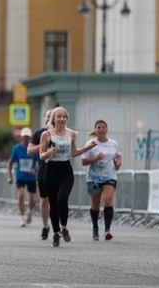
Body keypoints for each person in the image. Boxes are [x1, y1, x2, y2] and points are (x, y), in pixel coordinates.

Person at [39, 106, 96, 247]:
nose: (62, 119)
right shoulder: (47, 134)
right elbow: (41, 155)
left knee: (62, 199)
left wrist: (87, 148)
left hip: (65, 169)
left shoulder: (71, 134)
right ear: (53, 119)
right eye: (59, 116)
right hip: (51, 169)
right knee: (53, 203)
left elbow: (74, 152)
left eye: (64, 116)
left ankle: (64, 227)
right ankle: (55, 233)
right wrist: (49, 152)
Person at [81, 120, 122, 241]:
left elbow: (118, 155)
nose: (101, 129)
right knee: (95, 205)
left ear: (107, 129)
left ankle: (107, 230)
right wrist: (95, 158)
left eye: (103, 127)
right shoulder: (91, 143)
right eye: (99, 127)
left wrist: (118, 162)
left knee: (108, 200)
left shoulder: (113, 143)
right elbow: (84, 161)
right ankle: (95, 228)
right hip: (94, 177)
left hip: (109, 176)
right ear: (95, 130)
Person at [27, 109, 52, 239]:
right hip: (43, 169)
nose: (50, 118)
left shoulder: (63, 133)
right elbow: (29, 150)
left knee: (58, 199)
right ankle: (45, 226)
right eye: (48, 116)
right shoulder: (39, 133)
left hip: (59, 169)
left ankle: (58, 227)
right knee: (44, 199)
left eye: (52, 116)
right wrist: (42, 145)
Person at [8, 127, 38, 228]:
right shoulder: (17, 148)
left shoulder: (34, 148)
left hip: (31, 177)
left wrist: (35, 169)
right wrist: (10, 176)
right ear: (21, 137)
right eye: (24, 137)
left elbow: (40, 161)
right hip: (20, 175)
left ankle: (29, 211)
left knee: (33, 199)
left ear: (30, 137)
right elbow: (10, 162)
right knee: (20, 195)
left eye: (28, 137)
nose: (26, 139)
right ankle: (22, 217)